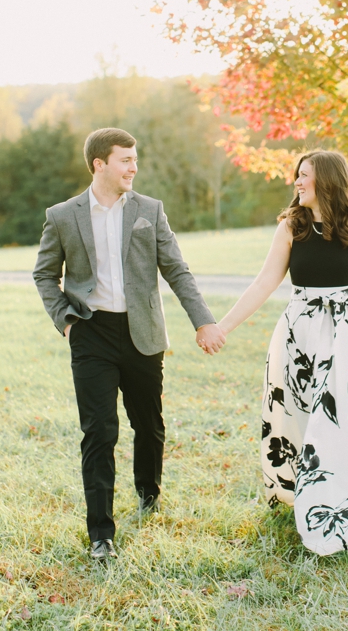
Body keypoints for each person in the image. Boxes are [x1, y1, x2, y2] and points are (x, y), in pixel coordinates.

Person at [213, 151, 348, 557]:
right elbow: (263, 284)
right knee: (306, 424)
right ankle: (312, 507)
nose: (297, 182)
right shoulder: (289, 228)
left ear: (326, 181)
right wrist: (223, 327)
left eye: (305, 175)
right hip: (301, 337)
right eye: (297, 175)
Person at [33, 128, 226, 563]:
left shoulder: (149, 210)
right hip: (90, 333)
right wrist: (66, 322)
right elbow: (45, 275)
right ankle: (101, 534)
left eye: (135, 159)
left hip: (143, 334)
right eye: (125, 160)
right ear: (99, 164)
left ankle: (149, 495)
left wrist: (204, 321)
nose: (134, 167)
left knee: (149, 423)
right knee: (99, 433)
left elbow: (178, 270)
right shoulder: (63, 216)